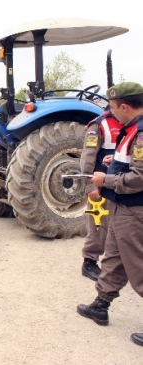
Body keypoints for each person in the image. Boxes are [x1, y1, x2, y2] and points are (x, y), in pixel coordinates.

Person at [77, 81, 143, 347]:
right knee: (114, 258)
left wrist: (106, 181)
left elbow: (140, 177)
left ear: (124, 106)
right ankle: (101, 305)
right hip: (120, 205)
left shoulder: (140, 134)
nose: (111, 112)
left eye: (113, 107)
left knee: (138, 266)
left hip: (134, 209)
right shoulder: (130, 130)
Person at [79, 110, 121, 281]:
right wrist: (90, 186)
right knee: (99, 225)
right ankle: (89, 262)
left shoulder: (133, 124)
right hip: (101, 185)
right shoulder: (100, 125)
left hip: (123, 184)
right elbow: (88, 158)